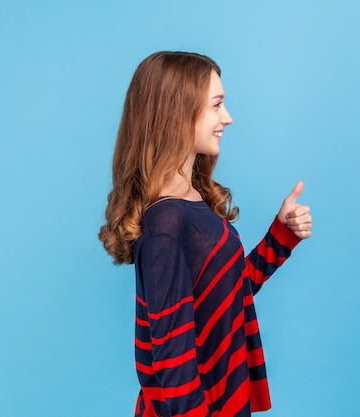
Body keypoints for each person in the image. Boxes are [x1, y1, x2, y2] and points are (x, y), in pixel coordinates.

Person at [99, 51, 312, 417]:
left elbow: (228, 291)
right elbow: (172, 360)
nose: (226, 118)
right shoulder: (166, 223)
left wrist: (281, 235)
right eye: (216, 105)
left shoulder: (191, 201)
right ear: (177, 112)